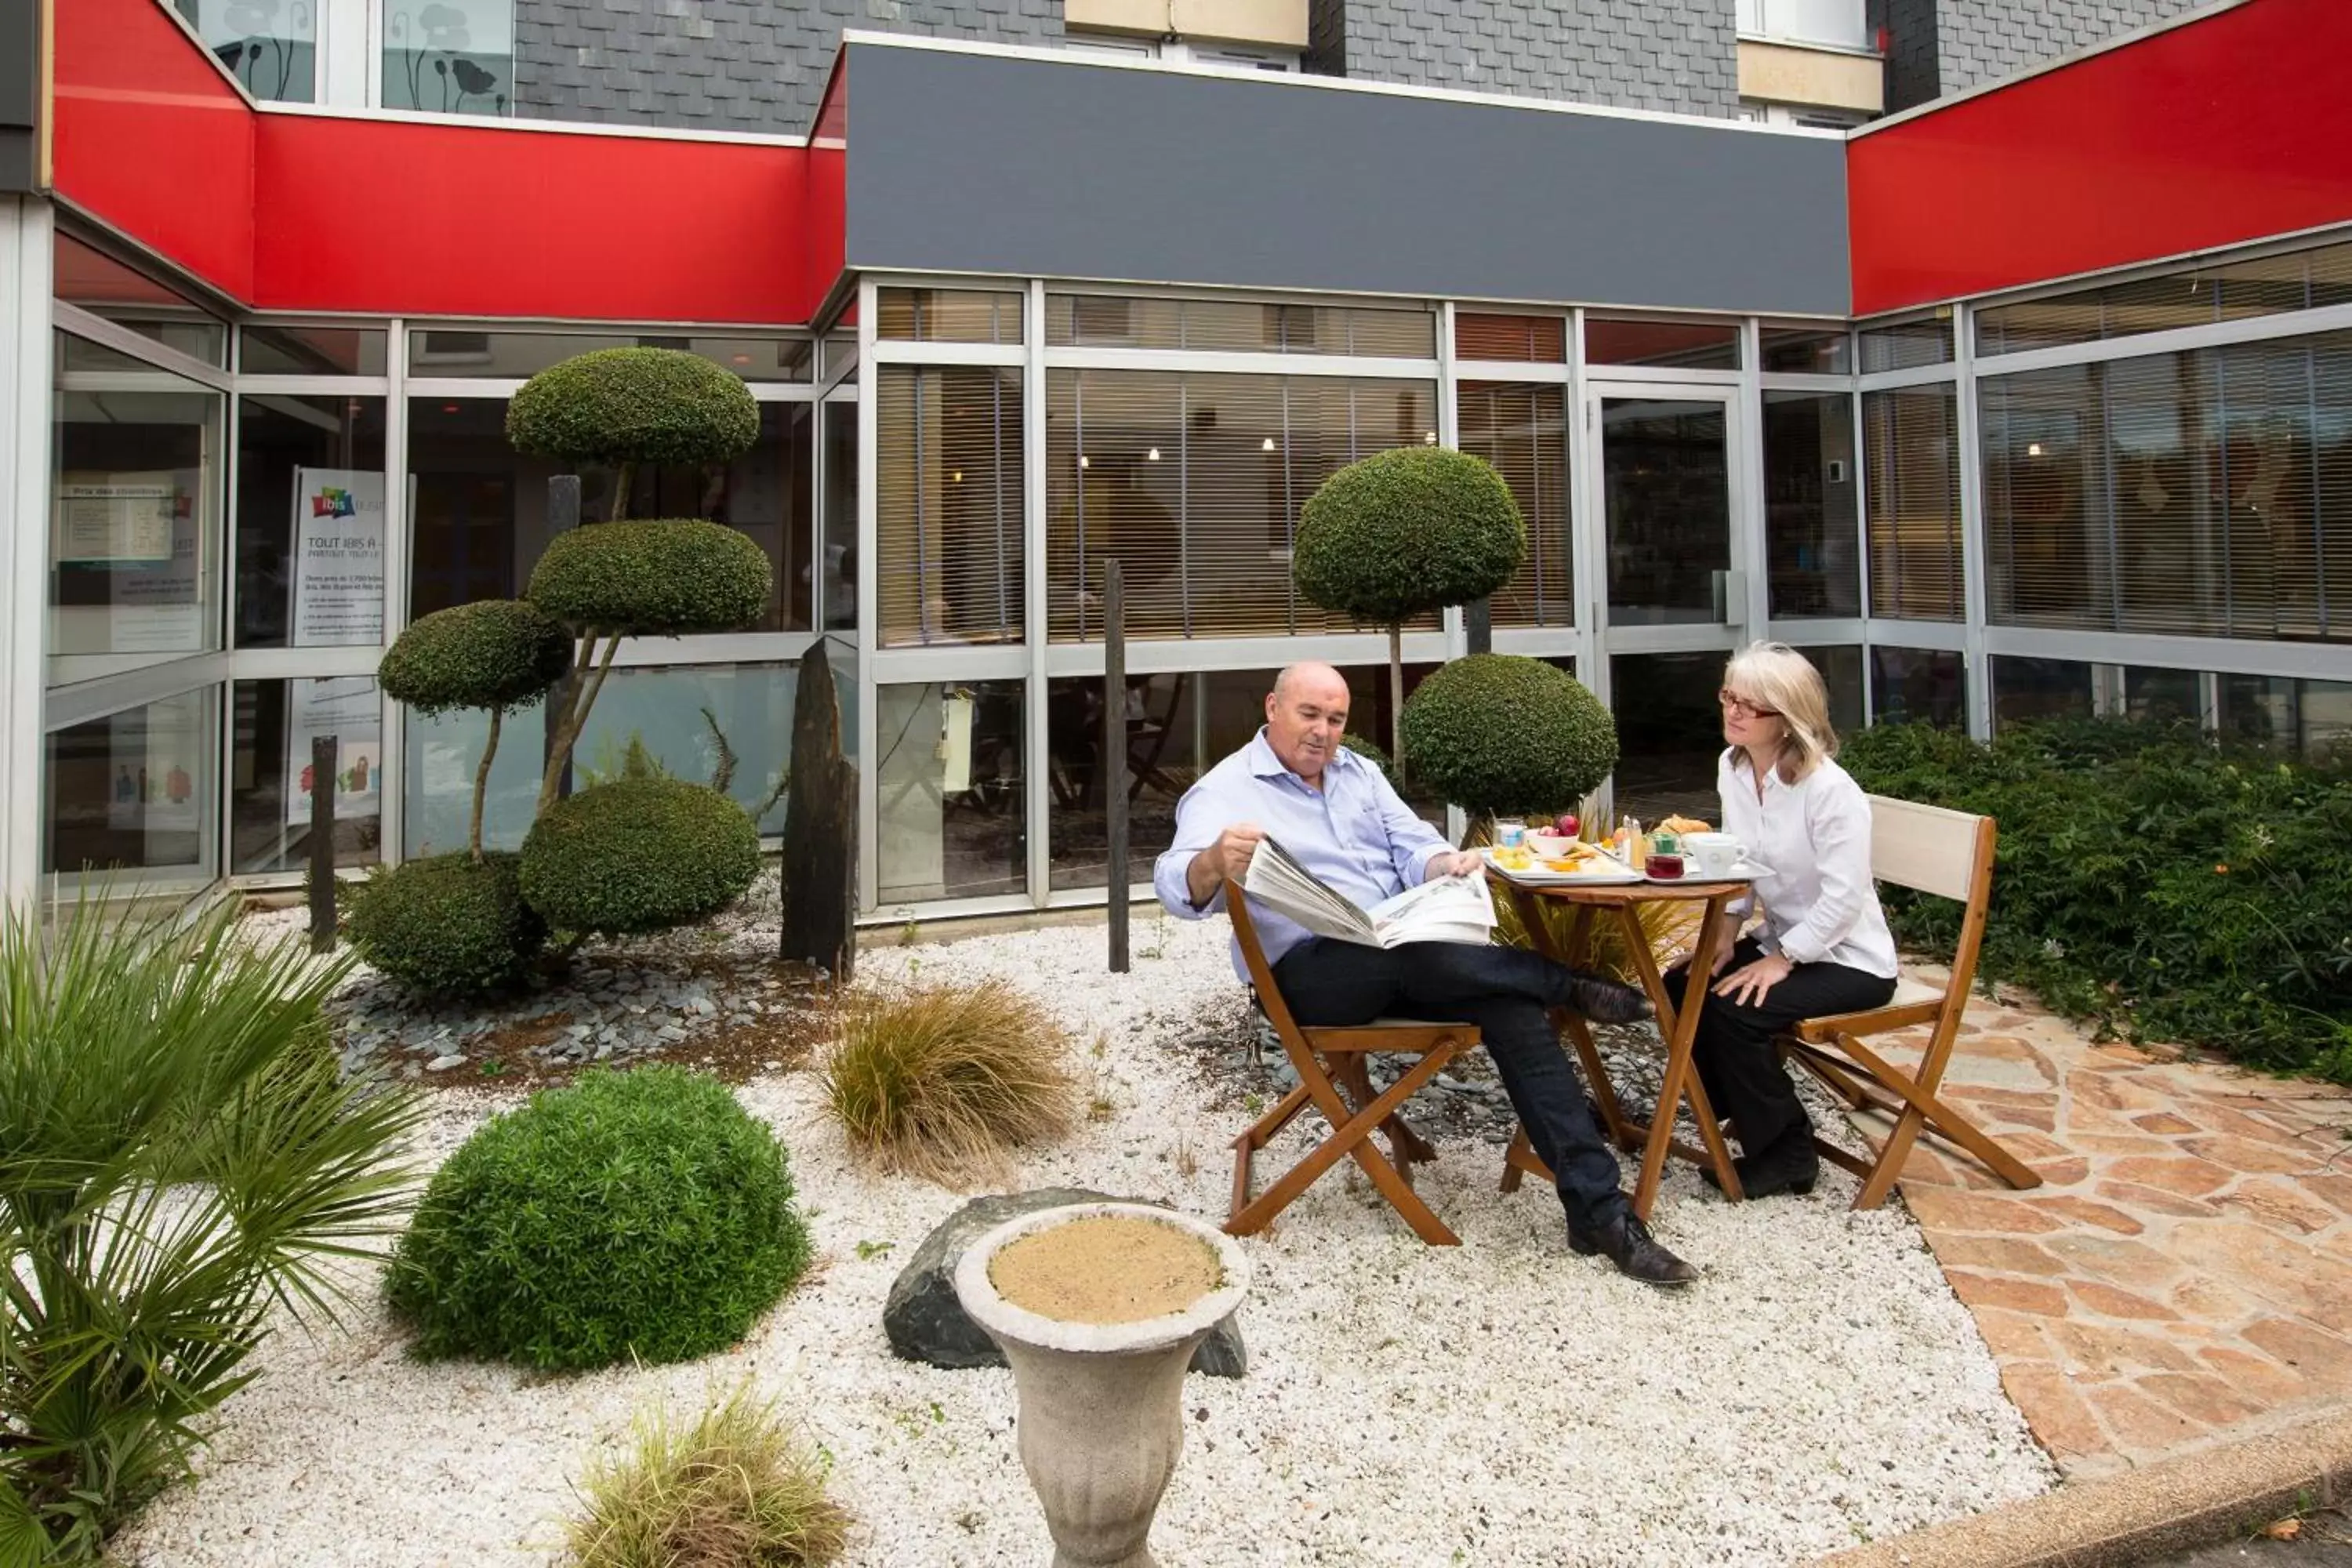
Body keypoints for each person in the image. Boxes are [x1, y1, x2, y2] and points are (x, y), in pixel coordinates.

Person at [1153, 662, 1700, 1287]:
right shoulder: (1226, 791)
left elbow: (1412, 847)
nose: (1323, 733)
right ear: (1273, 709)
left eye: (1335, 720)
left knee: (1507, 1005)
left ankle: (1601, 1214)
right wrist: (1210, 863)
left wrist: (1445, 864)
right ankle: (1565, 984)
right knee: (1419, 953)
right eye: (1310, 715)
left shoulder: (1358, 774)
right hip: (1309, 976)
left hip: (1404, 949)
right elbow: (1174, 886)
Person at [1664, 642, 1900, 1199]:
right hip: (1784, 940)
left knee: (1736, 1010)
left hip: (1849, 959)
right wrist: (1725, 936)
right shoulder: (1735, 767)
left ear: (1790, 719)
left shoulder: (1830, 792)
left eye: (1752, 705)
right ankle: (1737, 1113)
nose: (1734, 712)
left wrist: (1782, 959)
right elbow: (1740, 862)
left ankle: (1788, 1153)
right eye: (1729, 696)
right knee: (1683, 982)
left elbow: (1844, 901)